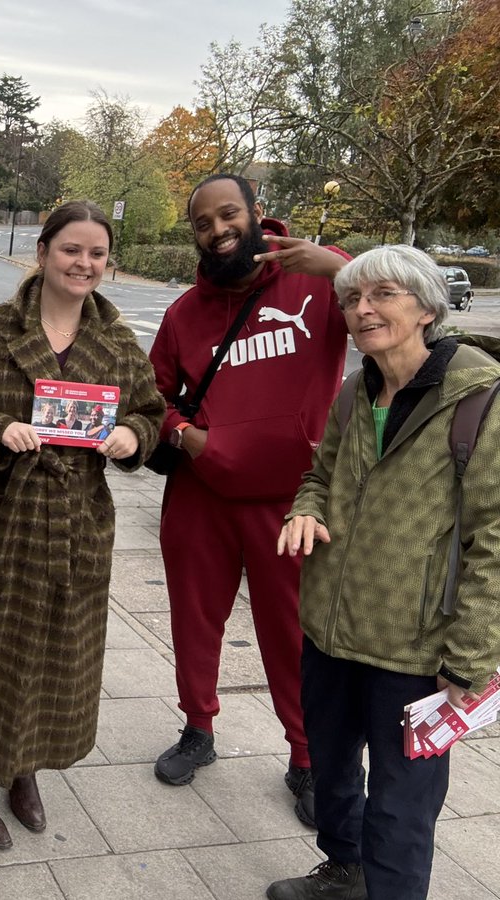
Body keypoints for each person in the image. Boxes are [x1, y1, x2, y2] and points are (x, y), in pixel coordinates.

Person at [0, 200, 165, 850]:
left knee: (55, 662)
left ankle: (23, 766)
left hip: (75, 530)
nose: (83, 263)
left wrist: (129, 437)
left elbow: (152, 413)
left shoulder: (115, 343)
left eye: (95, 253)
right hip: (2, 528)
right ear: (43, 253)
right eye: (71, 250)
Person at [267, 246, 500, 900]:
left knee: (401, 810)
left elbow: (495, 538)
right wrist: (306, 510)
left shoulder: (479, 402)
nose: (363, 310)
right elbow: (318, 477)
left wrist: (472, 657)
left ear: (427, 307)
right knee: (333, 773)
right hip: (330, 631)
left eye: (384, 295)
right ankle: (344, 870)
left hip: (416, 652)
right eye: (352, 299)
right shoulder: (356, 387)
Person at [148, 174, 349, 825]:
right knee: (193, 620)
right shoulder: (183, 313)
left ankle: (307, 756)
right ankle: (198, 729)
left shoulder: (318, 285)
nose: (217, 230)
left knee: (292, 636)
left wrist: (341, 265)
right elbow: (149, 395)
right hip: (201, 498)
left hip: (291, 503)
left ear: (257, 213)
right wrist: (186, 437)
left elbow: (400, 303)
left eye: (228, 214)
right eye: (203, 222)